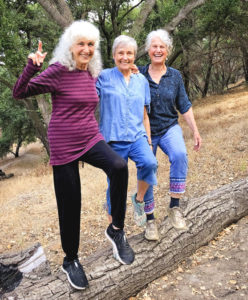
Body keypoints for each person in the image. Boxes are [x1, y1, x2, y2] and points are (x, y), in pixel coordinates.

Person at [12, 20, 135, 291]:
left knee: (118, 166)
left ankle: (115, 230)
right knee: (71, 204)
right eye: (81, 44)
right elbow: (19, 92)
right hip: (64, 144)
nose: (87, 49)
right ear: (70, 46)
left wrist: (133, 69)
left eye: (91, 44)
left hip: (91, 138)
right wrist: (32, 65)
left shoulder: (92, 72)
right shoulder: (58, 71)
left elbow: (118, 76)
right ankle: (71, 260)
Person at [96, 35, 159, 241]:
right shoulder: (103, 77)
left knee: (150, 163)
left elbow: (144, 114)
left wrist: (149, 141)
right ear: (113, 55)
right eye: (121, 53)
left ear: (134, 55)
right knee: (114, 185)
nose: (125, 57)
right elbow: (86, 94)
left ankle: (139, 200)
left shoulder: (141, 80)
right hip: (113, 140)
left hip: (137, 136)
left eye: (129, 53)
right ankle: (115, 231)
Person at [138, 29, 202, 230]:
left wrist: (195, 131)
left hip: (168, 128)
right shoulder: (137, 74)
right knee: (147, 167)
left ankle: (174, 207)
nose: (158, 50)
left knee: (180, 154)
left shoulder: (175, 76)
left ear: (167, 50)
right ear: (148, 50)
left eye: (162, 47)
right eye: (154, 46)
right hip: (144, 132)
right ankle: (149, 219)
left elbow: (184, 105)